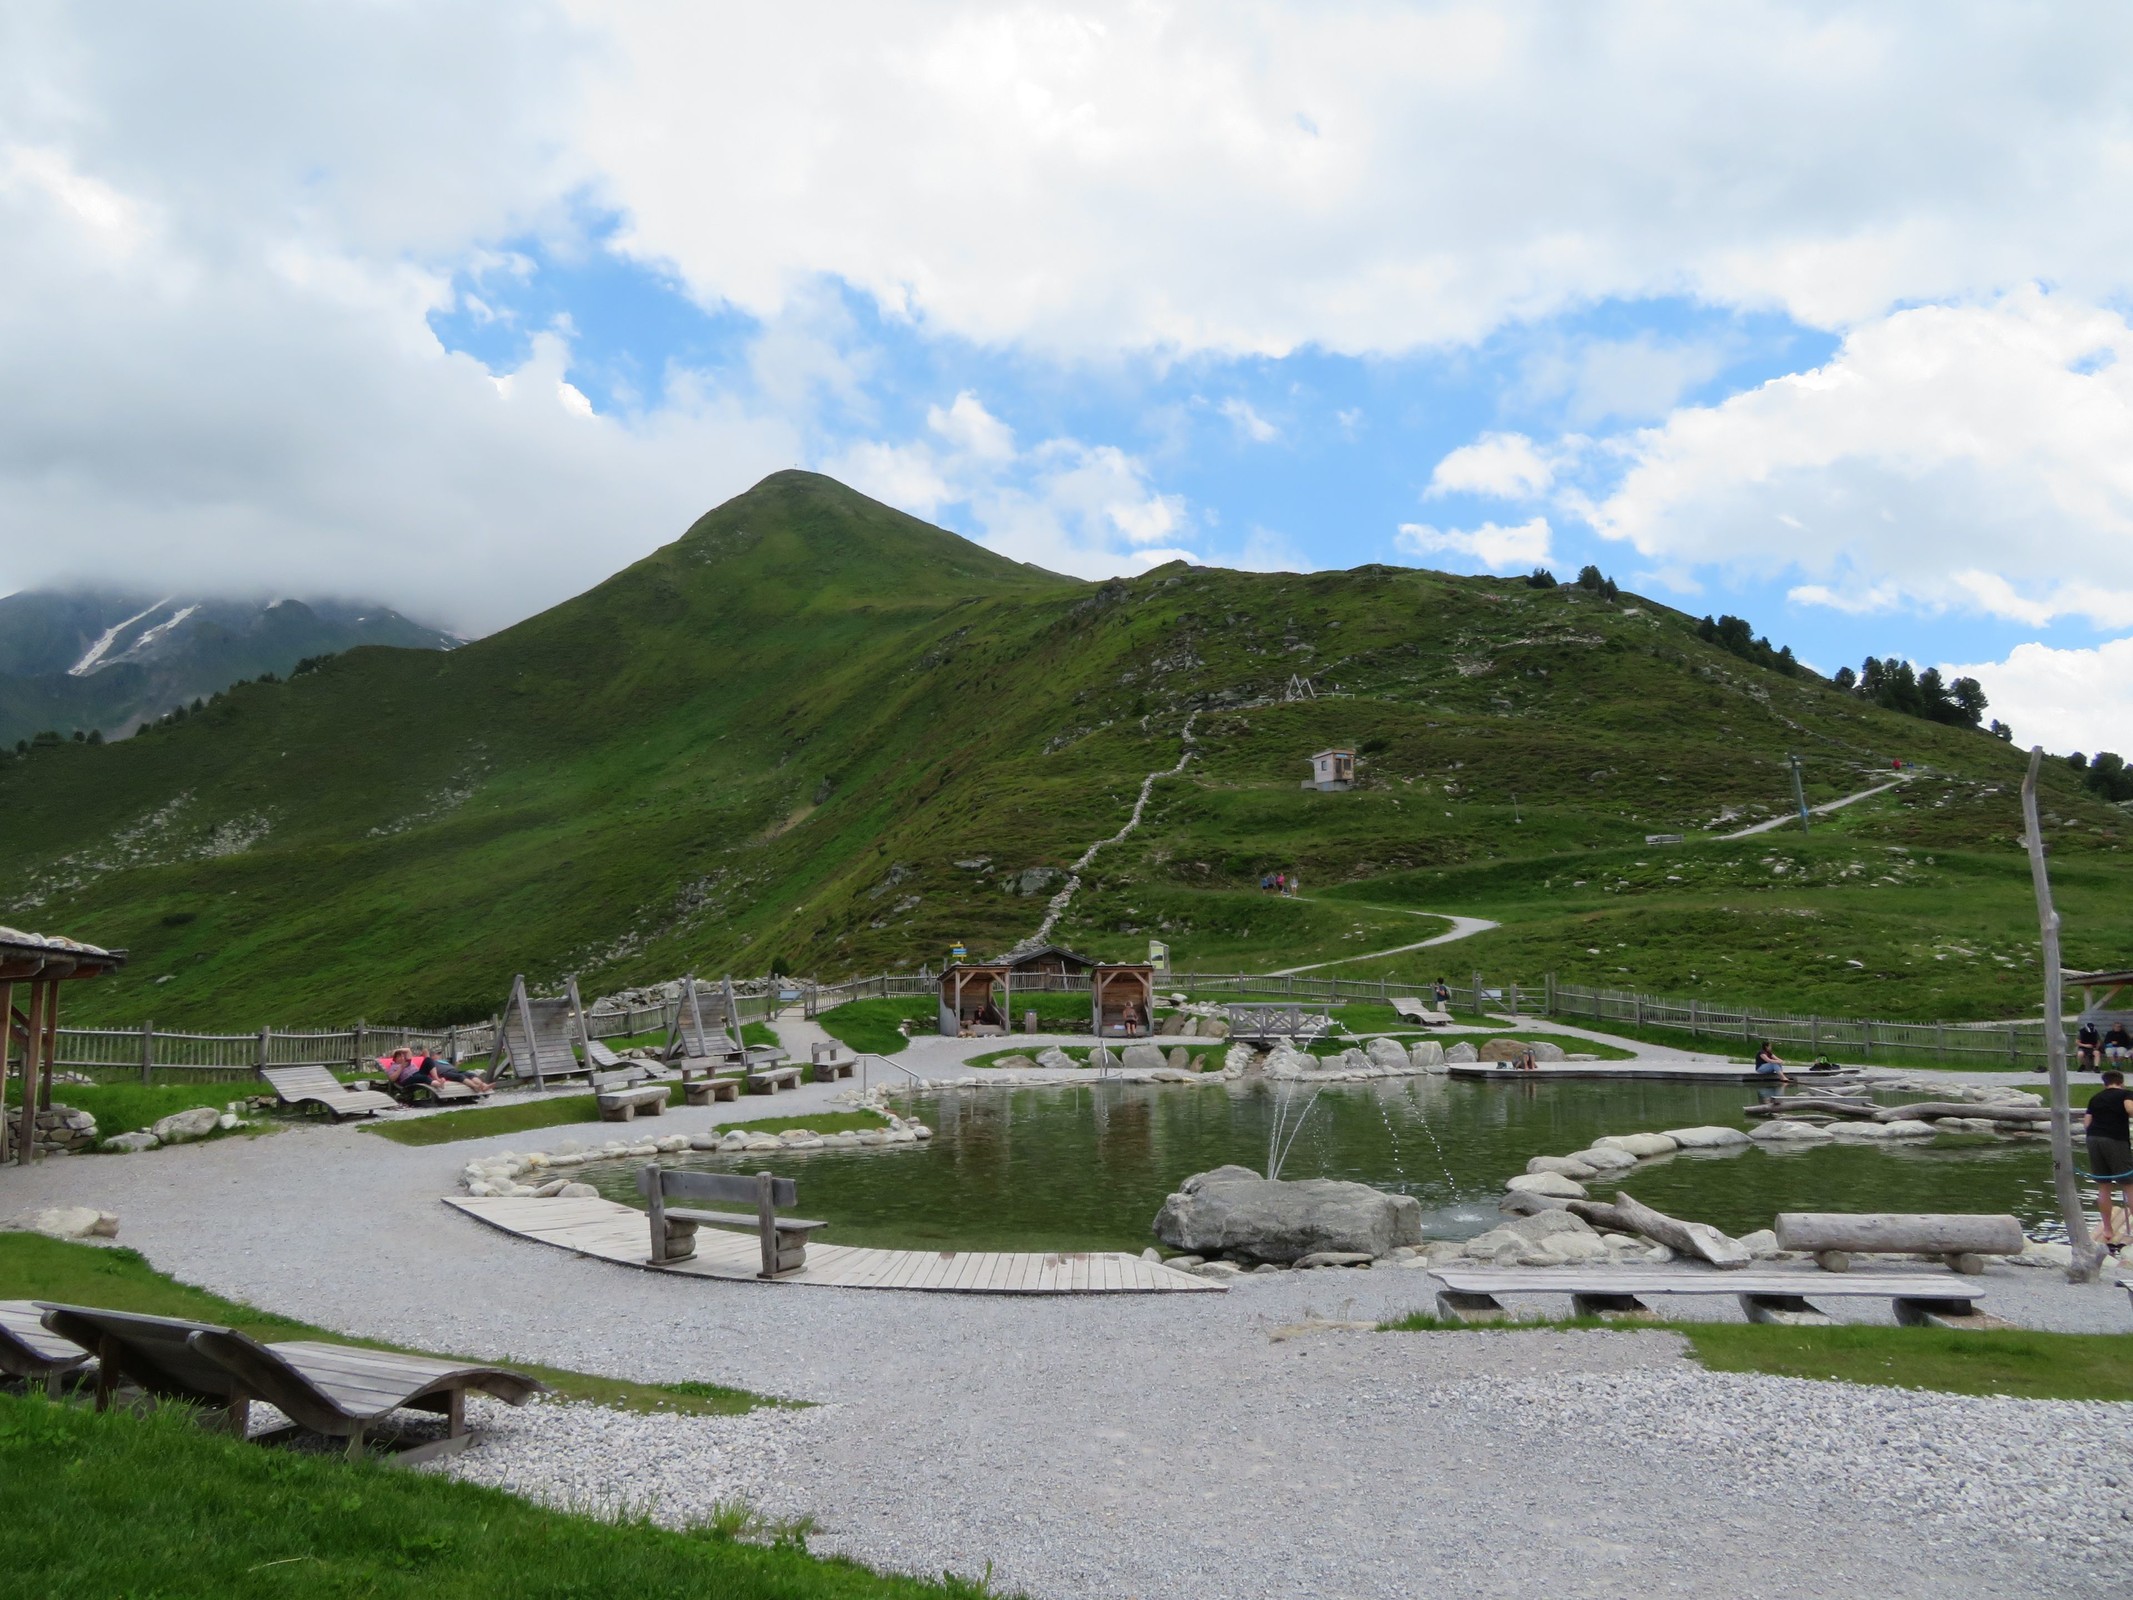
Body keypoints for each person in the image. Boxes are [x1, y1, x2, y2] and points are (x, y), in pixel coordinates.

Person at [2084, 1070, 2133, 1252]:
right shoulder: (2126, 1094)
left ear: (2105, 1083)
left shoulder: (2095, 1098)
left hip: (2093, 1139)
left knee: (2103, 1185)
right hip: (2115, 1140)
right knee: (2129, 1184)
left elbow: (2087, 1123)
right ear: (2121, 1082)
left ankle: (2107, 1230)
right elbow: (2130, 1110)